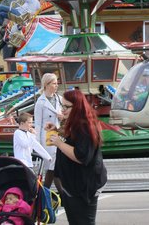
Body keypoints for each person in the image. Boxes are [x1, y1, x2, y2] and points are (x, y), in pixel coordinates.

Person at [46, 89, 107, 224]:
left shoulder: (84, 126)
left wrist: (59, 143)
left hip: (84, 186)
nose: (63, 110)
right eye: (62, 105)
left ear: (77, 107)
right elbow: (73, 139)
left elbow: (81, 156)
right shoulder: (76, 122)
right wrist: (57, 131)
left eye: (66, 106)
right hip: (73, 185)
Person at [34, 73, 64, 189]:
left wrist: (63, 117)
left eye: (57, 83)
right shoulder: (40, 102)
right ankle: (59, 194)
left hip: (59, 135)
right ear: (46, 84)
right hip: (47, 138)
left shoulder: (60, 99)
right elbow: (38, 124)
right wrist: (37, 144)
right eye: (54, 83)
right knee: (52, 166)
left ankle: (45, 192)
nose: (56, 86)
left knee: (55, 167)